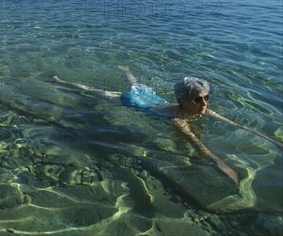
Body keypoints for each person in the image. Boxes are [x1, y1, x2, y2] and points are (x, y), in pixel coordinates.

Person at [53, 66, 283, 185]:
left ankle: (127, 72)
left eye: (206, 97)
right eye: (197, 99)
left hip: (154, 99)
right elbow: (198, 145)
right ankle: (61, 82)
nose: (204, 103)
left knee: (139, 84)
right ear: (183, 100)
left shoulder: (202, 109)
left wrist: (273, 141)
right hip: (136, 103)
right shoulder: (177, 121)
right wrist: (222, 164)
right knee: (94, 91)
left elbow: (240, 126)